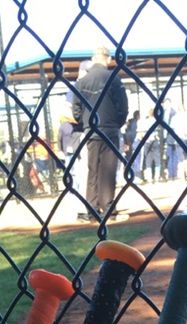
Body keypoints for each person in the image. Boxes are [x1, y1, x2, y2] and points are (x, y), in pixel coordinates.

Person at [72, 45, 128, 219]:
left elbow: (76, 110)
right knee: (109, 169)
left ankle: (92, 207)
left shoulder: (82, 82)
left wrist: (86, 123)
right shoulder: (114, 79)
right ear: (109, 59)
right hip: (110, 130)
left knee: (92, 169)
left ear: (93, 59)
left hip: (91, 131)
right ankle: (108, 206)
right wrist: (117, 123)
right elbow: (123, 107)